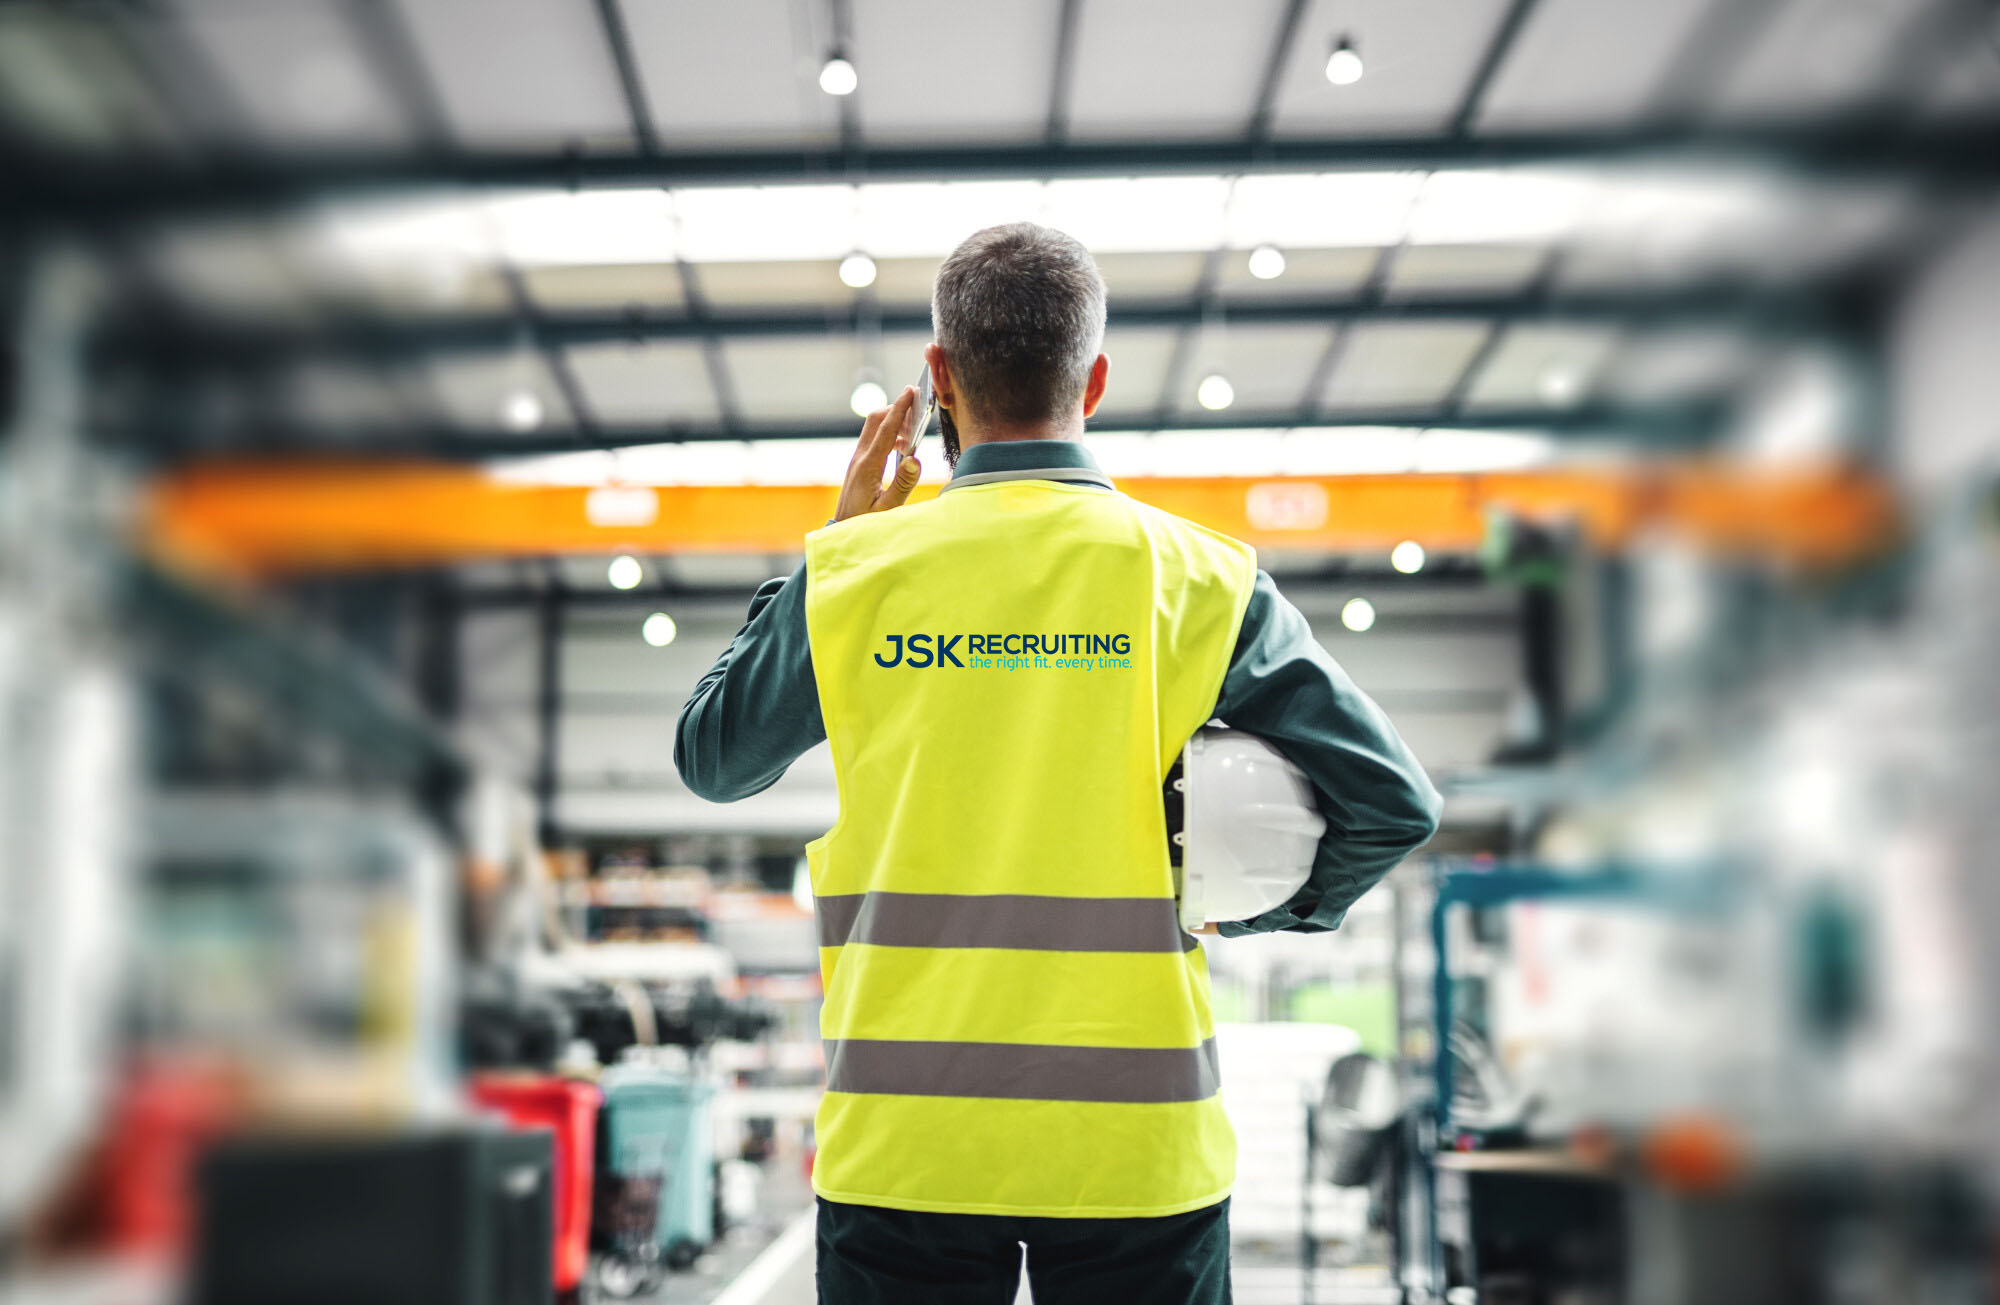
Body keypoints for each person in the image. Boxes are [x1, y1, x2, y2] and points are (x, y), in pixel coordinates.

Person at [675, 222, 1440, 1304]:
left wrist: (832, 552)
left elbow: (713, 759)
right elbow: (1392, 804)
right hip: (1134, 1144)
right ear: (1096, 380)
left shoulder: (856, 575)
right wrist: (1244, 910)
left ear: (936, 377)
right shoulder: (1197, 579)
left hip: (907, 1141)